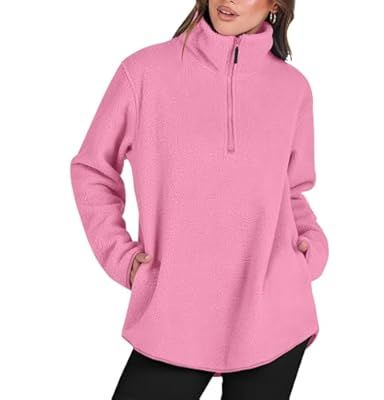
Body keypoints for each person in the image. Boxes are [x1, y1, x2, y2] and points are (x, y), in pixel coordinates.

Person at [70, 0, 329, 398]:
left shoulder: (293, 89)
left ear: (277, 3)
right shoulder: (144, 73)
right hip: (175, 312)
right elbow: (93, 170)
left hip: (273, 311)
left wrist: (310, 245)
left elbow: (291, 190)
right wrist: (122, 258)